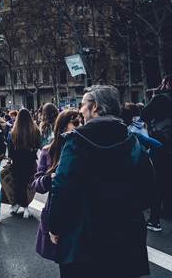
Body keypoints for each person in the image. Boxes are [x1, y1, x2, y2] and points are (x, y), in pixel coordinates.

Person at [48, 85, 155, 278]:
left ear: (95, 107)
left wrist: (54, 225)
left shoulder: (75, 141)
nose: (80, 110)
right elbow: (148, 190)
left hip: (83, 237)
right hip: (125, 237)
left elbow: (62, 188)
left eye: (82, 105)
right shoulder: (132, 140)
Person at [33, 109, 81, 262]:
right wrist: (49, 179)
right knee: (64, 261)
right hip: (57, 213)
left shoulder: (86, 148)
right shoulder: (48, 151)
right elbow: (37, 184)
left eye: (81, 122)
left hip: (82, 213)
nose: (80, 126)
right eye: (75, 123)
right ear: (62, 126)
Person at [142, 75, 172, 231]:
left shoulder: (160, 99)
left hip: (162, 145)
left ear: (167, 83)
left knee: (158, 181)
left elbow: (144, 114)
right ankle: (167, 210)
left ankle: (154, 220)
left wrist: (154, 97)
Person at [8, 108, 40, 218]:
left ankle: (18, 204)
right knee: (28, 185)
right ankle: (25, 207)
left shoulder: (13, 132)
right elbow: (38, 145)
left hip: (17, 161)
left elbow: (10, 149)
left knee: (18, 184)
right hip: (30, 160)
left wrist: (10, 158)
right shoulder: (35, 130)